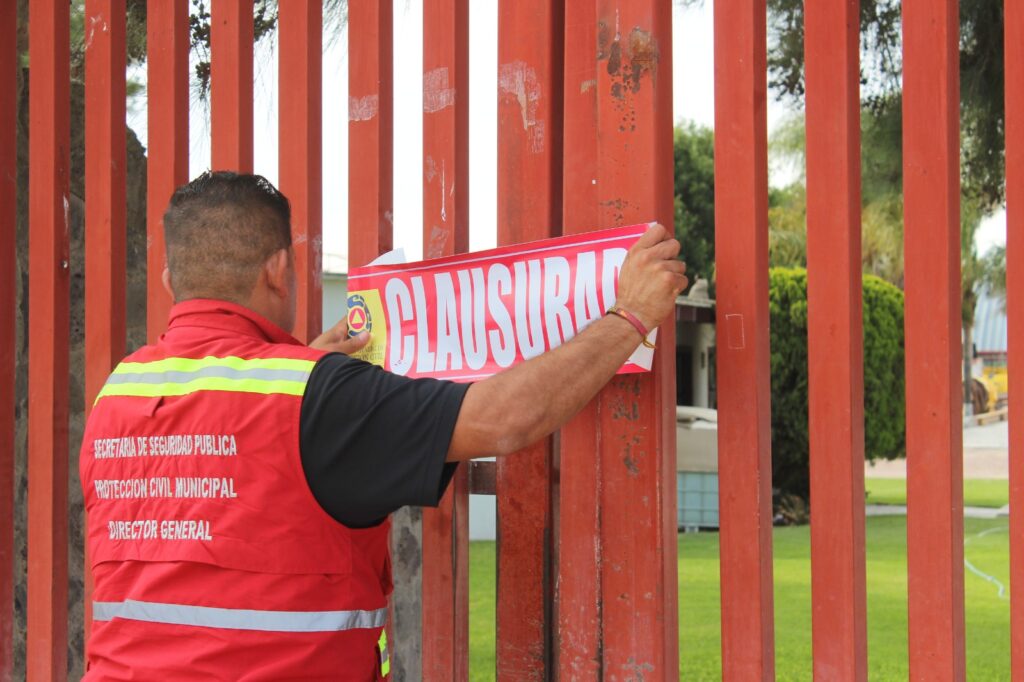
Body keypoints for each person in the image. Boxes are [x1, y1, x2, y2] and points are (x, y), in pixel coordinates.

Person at [79, 171, 687, 681]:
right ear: (278, 269)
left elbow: (225, 482)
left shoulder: (120, 395)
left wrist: (311, 373)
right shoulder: (315, 398)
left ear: (170, 280)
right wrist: (630, 315)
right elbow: (502, 419)